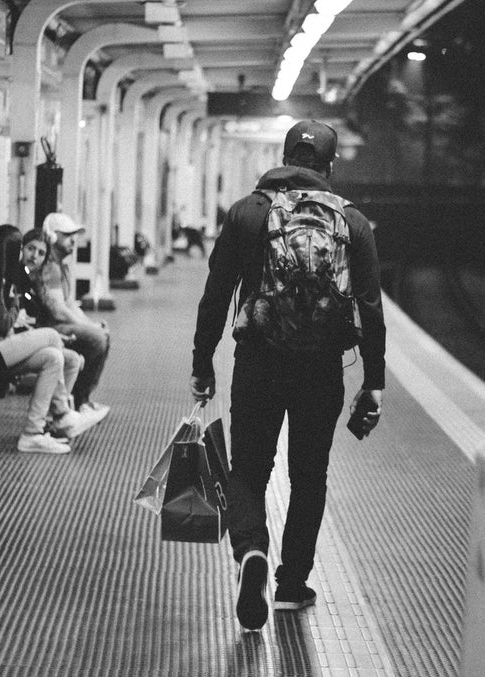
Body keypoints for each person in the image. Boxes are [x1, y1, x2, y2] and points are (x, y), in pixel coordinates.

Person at [191, 120, 386, 631]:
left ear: (283, 156)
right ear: (329, 165)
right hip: (321, 368)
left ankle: (251, 552)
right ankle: (292, 584)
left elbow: (215, 295)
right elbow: (370, 308)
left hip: (258, 359)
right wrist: (374, 381)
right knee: (308, 475)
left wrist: (201, 361)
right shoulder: (352, 223)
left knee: (250, 469)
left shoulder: (247, 212)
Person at [0, 224, 97, 454]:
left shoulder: (0, 278)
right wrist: (14, 305)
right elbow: (4, 322)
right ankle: (62, 413)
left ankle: (33, 433)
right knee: (52, 336)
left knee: (53, 358)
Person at [35, 213, 111, 423]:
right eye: (67, 235)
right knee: (96, 339)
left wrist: (92, 324)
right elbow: (58, 311)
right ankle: (81, 401)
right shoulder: (50, 267)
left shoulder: (62, 267)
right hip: (49, 328)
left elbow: (69, 306)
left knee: (101, 334)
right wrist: (91, 329)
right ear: (52, 237)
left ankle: (83, 400)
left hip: (60, 324)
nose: (73, 240)